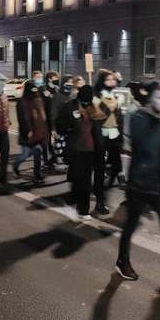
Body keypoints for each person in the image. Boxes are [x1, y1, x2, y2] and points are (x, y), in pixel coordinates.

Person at [116, 82, 160, 301]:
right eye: (159, 97)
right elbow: (147, 149)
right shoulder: (137, 117)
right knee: (131, 224)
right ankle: (122, 260)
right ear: (150, 97)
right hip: (140, 183)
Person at [56, 85, 103, 219]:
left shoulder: (93, 107)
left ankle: (83, 211)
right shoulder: (70, 106)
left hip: (90, 150)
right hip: (76, 149)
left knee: (86, 182)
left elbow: (98, 129)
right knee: (77, 180)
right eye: (85, 100)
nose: (87, 103)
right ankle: (72, 201)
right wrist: (71, 121)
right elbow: (60, 125)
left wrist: (100, 149)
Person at [93, 69, 125, 201]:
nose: (112, 82)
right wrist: (116, 103)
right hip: (101, 134)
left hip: (114, 133)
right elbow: (99, 114)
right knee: (99, 165)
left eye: (113, 79)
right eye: (108, 79)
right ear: (102, 81)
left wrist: (121, 133)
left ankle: (109, 184)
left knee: (117, 163)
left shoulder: (115, 94)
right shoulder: (97, 95)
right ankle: (98, 190)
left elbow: (119, 116)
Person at [14, 80, 48, 185]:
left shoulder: (39, 100)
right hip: (27, 133)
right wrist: (28, 131)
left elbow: (42, 117)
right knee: (25, 154)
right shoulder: (21, 102)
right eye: (32, 89)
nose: (34, 91)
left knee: (37, 153)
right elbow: (21, 119)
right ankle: (16, 165)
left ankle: (37, 175)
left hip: (38, 132)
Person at [51, 75, 75, 166]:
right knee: (60, 147)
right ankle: (57, 161)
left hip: (71, 127)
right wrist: (53, 129)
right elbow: (53, 113)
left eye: (71, 82)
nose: (70, 84)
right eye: (68, 82)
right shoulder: (57, 96)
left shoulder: (73, 95)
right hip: (60, 127)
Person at [42, 71, 60, 167]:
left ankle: (54, 156)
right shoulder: (44, 88)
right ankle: (45, 159)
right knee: (47, 139)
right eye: (55, 78)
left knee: (56, 138)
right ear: (49, 79)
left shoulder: (57, 88)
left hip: (56, 117)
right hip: (46, 117)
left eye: (57, 78)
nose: (57, 79)